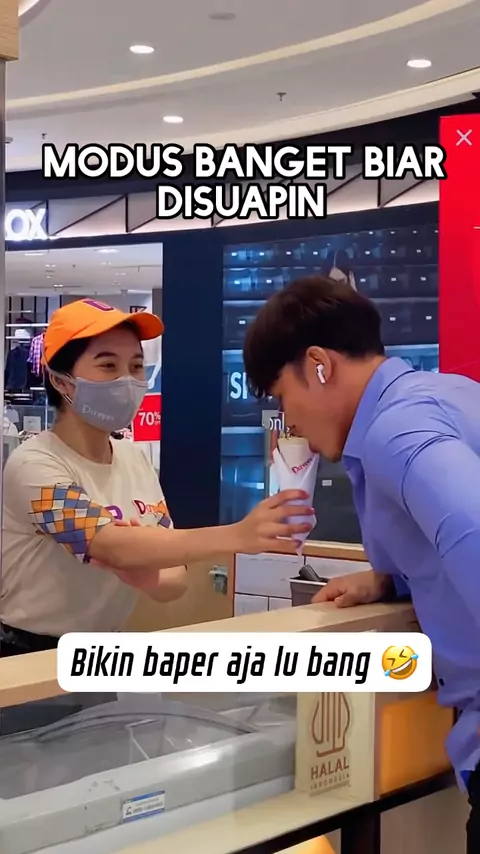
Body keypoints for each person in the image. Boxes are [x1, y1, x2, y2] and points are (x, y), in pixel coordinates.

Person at [243, 275, 480, 853]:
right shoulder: (452, 394)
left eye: (282, 397)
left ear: (319, 365)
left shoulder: (396, 432)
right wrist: (394, 578)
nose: (291, 423)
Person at [1, 298, 314, 656]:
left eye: (136, 366)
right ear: (62, 382)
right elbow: (108, 543)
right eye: (108, 365)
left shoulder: (133, 459)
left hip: (99, 652)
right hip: (26, 653)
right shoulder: (34, 464)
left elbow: (174, 577)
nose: (127, 380)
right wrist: (238, 535)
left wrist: (147, 575)